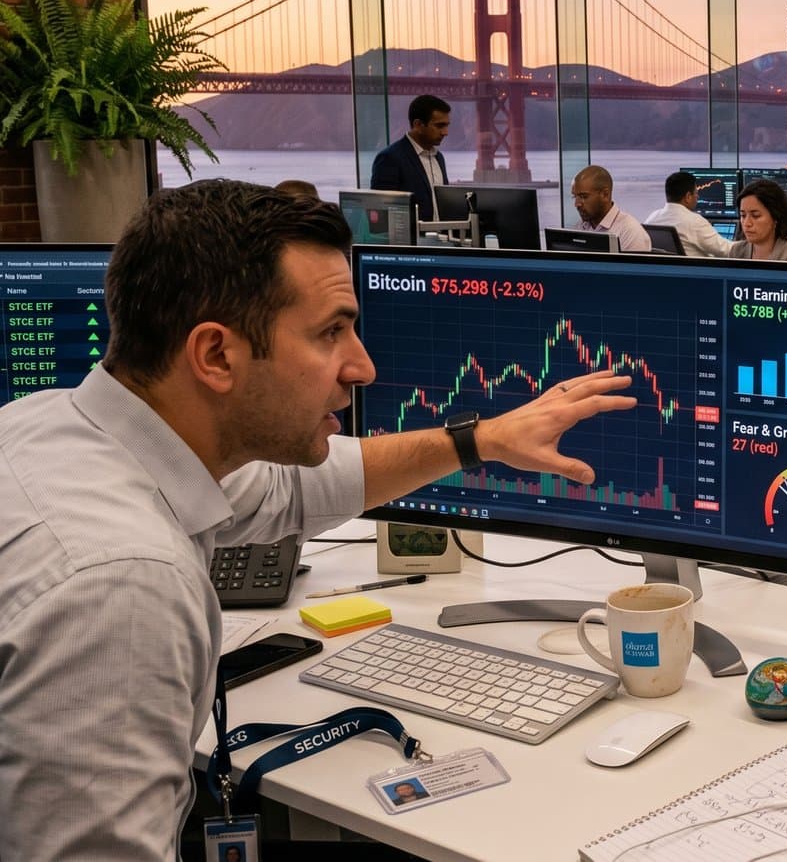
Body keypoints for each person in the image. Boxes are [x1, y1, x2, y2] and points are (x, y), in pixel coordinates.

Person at [0, 181, 636, 860]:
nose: (361, 366)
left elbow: (305, 486)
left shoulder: (48, 425)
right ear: (215, 355)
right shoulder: (120, 587)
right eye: (331, 331)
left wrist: (478, 440)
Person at [370, 94, 453, 222]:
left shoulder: (438, 157)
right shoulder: (389, 158)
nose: (445, 132)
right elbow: (381, 213)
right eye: (439, 126)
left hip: (442, 238)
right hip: (410, 240)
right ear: (418, 124)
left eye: (447, 125)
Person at [644, 171, 732, 257]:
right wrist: (744, 245)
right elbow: (725, 250)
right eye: (696, 193)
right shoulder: (694, 221)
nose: (697, 197)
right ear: (688, 197)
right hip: (699, 271)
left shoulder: (652, 218)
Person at [729, 179, 787, 262]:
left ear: (775, 217)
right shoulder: (737, 252)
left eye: (755, 216)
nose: (747, 223)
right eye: (743, 215)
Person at [569, 165, 650, 252]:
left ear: (605, 195)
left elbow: (634, 266)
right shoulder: (580, 227)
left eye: (584, 197)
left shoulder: (631, 232)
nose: (577, 204)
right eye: (575, 197)